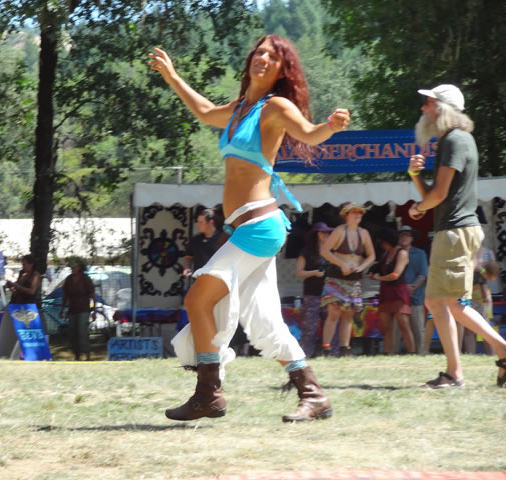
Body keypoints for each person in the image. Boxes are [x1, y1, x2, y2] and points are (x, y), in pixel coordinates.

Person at [148, 34, 350, 422]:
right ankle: (314, 395)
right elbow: (205, 111)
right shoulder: (240, 108)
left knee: (198, 300)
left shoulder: (275, 107)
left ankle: (208, 394)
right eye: (259, 52)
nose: (263, 58)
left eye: (272, 56)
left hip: (260, 226)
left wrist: (331, 125)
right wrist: (172, 76)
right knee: (264, 324)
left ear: (282, 70)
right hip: (244, 230)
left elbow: (309, 133)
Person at [408, 84, 506, 388]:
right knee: (439, 302)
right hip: (454, 230)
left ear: (442, 108)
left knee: (452, 303)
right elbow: (437, 195)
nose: (423, 108)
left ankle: (498, 353)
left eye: (428, 103)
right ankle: (454, 373)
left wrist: (417, 209)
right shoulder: (455, 140)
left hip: (454, 232)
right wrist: (415, 176)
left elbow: (437, 196)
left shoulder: (454, 140)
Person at [320, 203, 375, 357]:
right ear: (346, 215)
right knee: (334, 313)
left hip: (354, 277)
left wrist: (361, 267)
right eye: (354, 212)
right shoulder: (339, 231)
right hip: (336, 276)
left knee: (349, 313)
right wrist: (342, 265)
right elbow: (324, 251)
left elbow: (371, 255)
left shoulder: (363, 233)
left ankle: (345, 348)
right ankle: (326, 348)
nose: (358, 215)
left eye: (360, 213)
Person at [370, 228, 415, 354]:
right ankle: (387, 352)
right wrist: (374, 273)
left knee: (403, 323)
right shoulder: (386, 255)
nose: (381, 245)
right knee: (386, 325)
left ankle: (412, 352)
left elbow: (395, 275)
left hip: (398, 291)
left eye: (383, 242)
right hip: (386, 291)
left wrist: (378, 278)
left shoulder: (402, 253)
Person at [296, 222, 333, 357]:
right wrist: (314, 273)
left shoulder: (332, 251)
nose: (326, 235)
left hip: (329, 294)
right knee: (309, 328)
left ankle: (330, 354)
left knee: (330, 326)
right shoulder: (306, 251)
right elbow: (299, 273)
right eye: (323, 232)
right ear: (316, 234)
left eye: (328, 232)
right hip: (312, 294)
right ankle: (305, 355)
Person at [397, 225, 428, 353]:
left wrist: (413, 286)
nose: (404, 237)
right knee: (396, 328)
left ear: (412, 238)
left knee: (418, 327)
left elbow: (423, 274)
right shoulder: (394, 253)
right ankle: (393, 353)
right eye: (401, 235)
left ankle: (420, 353)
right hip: (397, 296)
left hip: (415, 296)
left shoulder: (420, 253)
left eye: (407, 235)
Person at [60, 259, 97, 361]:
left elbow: (93, 295)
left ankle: (87, 353)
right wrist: (62, 309)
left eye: (75, 266)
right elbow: (65, 295)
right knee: (72, 332)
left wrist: (94, 311)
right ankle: (77, 354)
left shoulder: (86, 279)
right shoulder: (68, 279)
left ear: (80, 267)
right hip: (72, 309)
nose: (73, 268)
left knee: (82, 331)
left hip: (84, 309)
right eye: (72, 267)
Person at [183, 208, 222, 277]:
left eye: (201, 222)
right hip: (198, 279)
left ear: (211, 223)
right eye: (197, 222)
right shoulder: (195, 240)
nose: (198, 225)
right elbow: (188, 258)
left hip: (216, 279)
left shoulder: (223, 240)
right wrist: (187, 268)